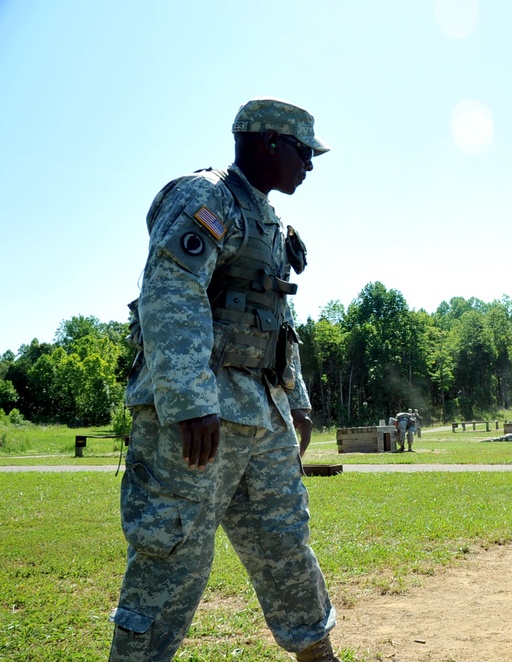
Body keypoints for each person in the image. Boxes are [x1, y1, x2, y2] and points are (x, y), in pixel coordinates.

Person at [110, 98, 339, 662]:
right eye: (303, 151)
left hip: (263, 414)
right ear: (268, 142)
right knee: (174, 557)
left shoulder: (270, 221)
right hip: (202, 420)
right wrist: (189, 399)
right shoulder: (204, 197)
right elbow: (171, 289)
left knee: (286, 548)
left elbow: (280, 318)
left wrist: (298, 399)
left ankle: (317, 653)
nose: (309, 164)